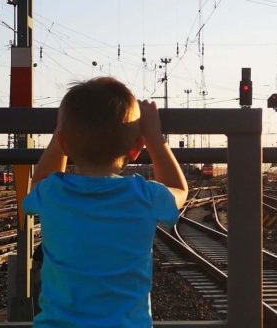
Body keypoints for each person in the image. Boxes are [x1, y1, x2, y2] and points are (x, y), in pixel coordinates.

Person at [24, 77, 188, 327]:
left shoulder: (52, 192)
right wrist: (155, 138)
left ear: (63, 142)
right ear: (136, 149)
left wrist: (61, 134)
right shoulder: (143, 195)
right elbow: (179, 190)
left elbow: (39, 181)